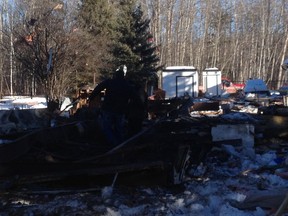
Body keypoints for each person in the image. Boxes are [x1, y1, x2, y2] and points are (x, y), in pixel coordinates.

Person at [88, 66, 136, 146]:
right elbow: (135, 97)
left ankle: (112, 143)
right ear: (123, 76)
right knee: (119, 129)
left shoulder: (110, 82)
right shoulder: (127, 85)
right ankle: (120, 144)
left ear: (115, 75)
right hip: (120, 110)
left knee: (107, 128)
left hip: (108, 109)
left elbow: (98, 88)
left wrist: (91, 97)